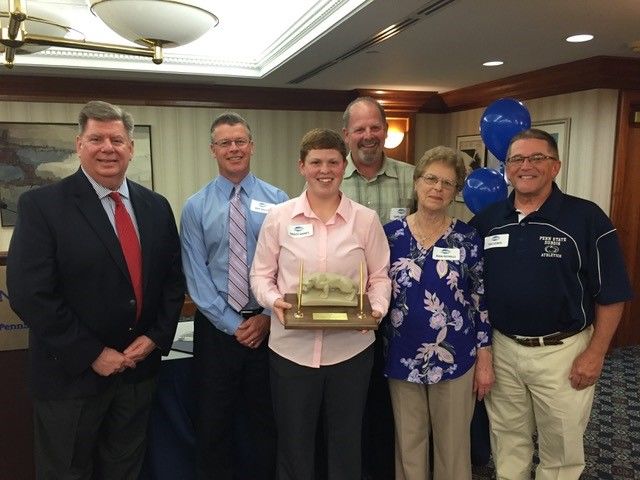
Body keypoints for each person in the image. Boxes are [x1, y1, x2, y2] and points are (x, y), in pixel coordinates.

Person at [6, 100, 185, 479]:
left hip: (137, 371)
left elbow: (172, 282)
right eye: (97, 138)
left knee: (125, 469)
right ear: (79, 145)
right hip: (70, 377)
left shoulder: (156, 206)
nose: (108, 147)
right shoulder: (42, 205)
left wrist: (155, 337)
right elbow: (29, 292)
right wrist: (92, 353)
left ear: (130, 148)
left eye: (117, 139)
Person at [470, 128, 632, 480]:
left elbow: (613, 293)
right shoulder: (487, 220)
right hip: (503, 349)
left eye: (537, 158)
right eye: (517, 159)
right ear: (507, 168)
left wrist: (596, 353)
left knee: (561, 448)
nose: (526, 166)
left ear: (555, 166)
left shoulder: (586, 218)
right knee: (507, 441)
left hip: (563, 353)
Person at [250, 128, 391, 480]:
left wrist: (376, 310)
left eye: (332, 162)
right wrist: (275, 302)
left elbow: (381, 277)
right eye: (315, 162)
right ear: (302, 166)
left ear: (344, 166)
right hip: (291, 352)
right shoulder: (279, 218)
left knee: (346, 444)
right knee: (294, 445)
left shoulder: (366, 220)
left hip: (351, 352)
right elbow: (260, 276)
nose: (324, 170)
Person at [180, 112, 287, 480]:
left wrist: (267, 318)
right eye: (225, 143)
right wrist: (234, 325)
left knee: (267, 422)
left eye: (240, 141)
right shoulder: (195, 207)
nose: (234, 148)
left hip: (269, 326)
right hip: (216, 331)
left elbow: (287, 268)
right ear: (213, 150)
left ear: (252, 147)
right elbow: (196, 275)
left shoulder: (280, 201)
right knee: (213, 424)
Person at [383, 146, 493, 480]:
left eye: (448, 183)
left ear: (456, 192)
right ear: (416, 182)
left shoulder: (467, 238)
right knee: (409, 444)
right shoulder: (389, 236)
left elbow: (480, 300)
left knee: (453, 446)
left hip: (456, 356)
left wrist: (485, 356)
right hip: (402, 356)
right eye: (431, 179)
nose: (437, 188)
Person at [341, 96, 415, 479]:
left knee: (395, 402)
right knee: (356, 400)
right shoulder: (331, 179)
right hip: (350, 314)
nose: (368, 136)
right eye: (360, 129)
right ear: (346, 135)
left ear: (385, 130)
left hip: (407, 313)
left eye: (374, 127)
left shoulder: (413, 178)